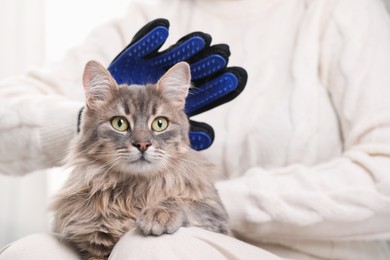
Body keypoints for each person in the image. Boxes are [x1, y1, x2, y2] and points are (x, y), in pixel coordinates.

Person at [1, 0, 390, 259]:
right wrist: (93, 119)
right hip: (138, 231)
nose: (141, 138)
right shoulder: (152, 15)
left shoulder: (340, 12)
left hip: (295, 252)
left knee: (150, 249)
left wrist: (201, 203)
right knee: (30, 253)